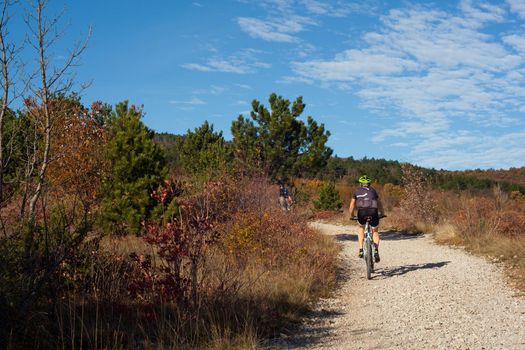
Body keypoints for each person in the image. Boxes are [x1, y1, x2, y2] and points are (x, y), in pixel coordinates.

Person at [348, 175, 385, 262]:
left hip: (362, 212)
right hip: (373, 212)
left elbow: (352, 205)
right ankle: (376, 250)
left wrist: (351, 215)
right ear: (369, 184)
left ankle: (361, 250)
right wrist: (382, 213)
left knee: (361, 228)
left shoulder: (356, 191)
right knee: (375, 231)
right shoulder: (373, 191)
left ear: (361, 184)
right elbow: (379, 204)